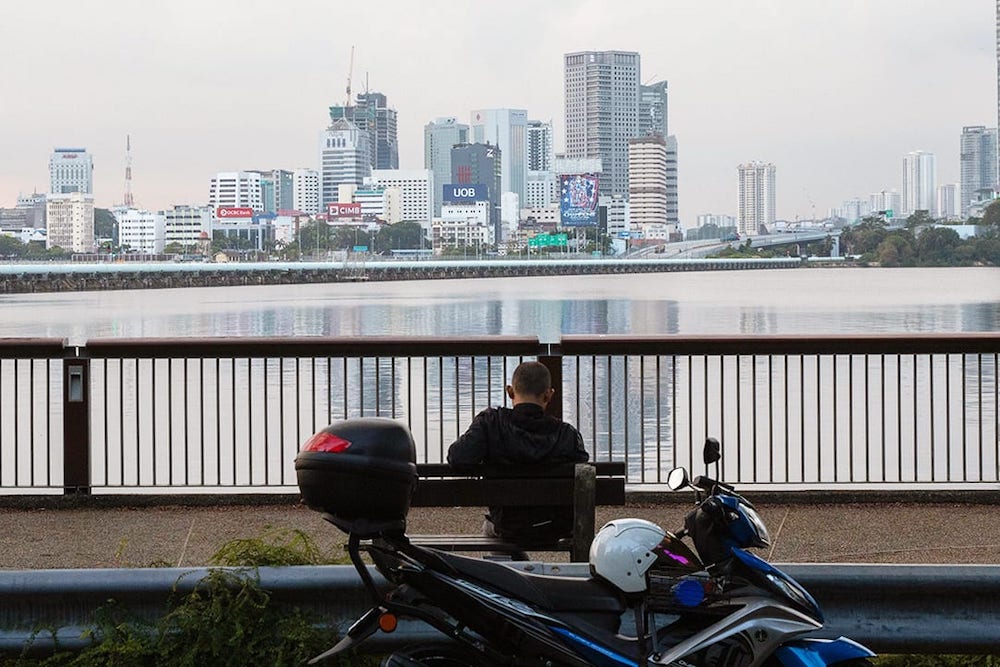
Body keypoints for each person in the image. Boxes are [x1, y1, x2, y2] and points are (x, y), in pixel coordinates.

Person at [446, 361, 589, 556]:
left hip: (507, 527)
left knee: (491, 529)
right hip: (554, 527)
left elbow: (458, 458)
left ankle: (505, 571)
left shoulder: (491, 423)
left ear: (510, 391)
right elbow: (583, 474)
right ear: (549, 395)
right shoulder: (567, 435)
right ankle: (520, 568)